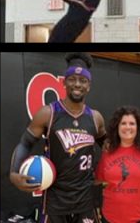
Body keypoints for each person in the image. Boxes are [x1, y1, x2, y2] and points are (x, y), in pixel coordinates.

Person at [9, 53, 105, 222]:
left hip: (85, 199)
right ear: (64, 82)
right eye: (72, 79)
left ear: (88, 86)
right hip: (55, 200)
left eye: (82, 80)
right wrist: (13, 173)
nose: (77, 84)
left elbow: (108, 146)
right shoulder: (49, 113)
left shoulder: (95, 118)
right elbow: (25, 143)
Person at [95, 105, 140, 223]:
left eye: (132, 123)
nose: (127, 127)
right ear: (117, 127)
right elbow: (98, 180)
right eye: (123, 123)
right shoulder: (108, 151)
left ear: (138, 127)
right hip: (110, 217)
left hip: (139, 217)